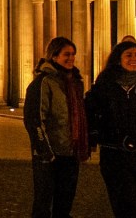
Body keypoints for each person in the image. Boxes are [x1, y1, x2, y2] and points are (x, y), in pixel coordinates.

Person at [86, 40, 136, 218]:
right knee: (126, 206)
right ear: (118, 59)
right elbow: (90, 110)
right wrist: (93, 136)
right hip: (113, 155)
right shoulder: (106, 82)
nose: (134, 59)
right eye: (129, 55)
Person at [23, 36, 89, 218]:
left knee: (64, 204)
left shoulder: (75, 82)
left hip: (70, 152)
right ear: (54, 56)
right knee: (43, 205)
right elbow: (34, 119)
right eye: (66, 54)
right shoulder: (42, 83)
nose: (71, 58)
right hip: (49, 155)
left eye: (73, 54)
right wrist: (46, 152)